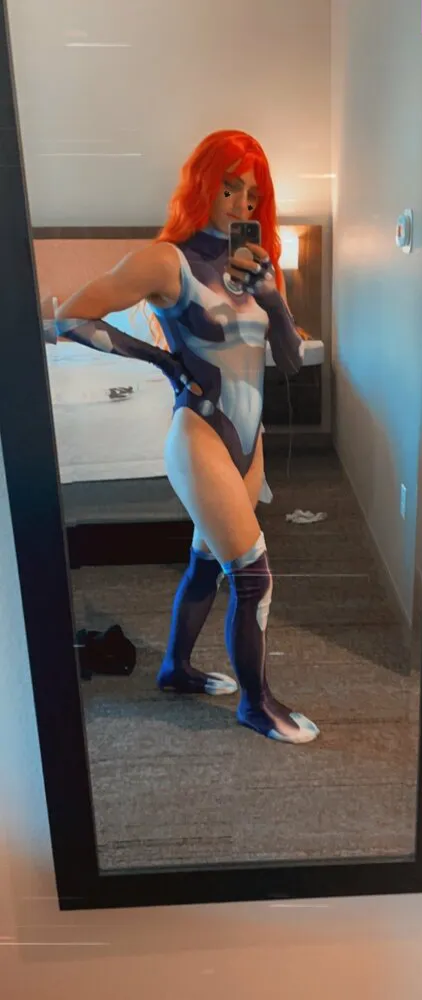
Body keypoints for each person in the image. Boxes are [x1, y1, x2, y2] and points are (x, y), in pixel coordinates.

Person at [42, 129, 320, 744]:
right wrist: (162, 361)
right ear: (204, 185)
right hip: (201, 434)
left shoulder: (257, 266)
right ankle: (257, 704)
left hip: (249, 441)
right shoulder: (168, 261)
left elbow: (292, 361)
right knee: (253, 577)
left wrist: (273, 301)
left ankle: (176, 668)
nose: (241, 204)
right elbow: (69, 318)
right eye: (229, 188)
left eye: (252, 194)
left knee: (206, 562)